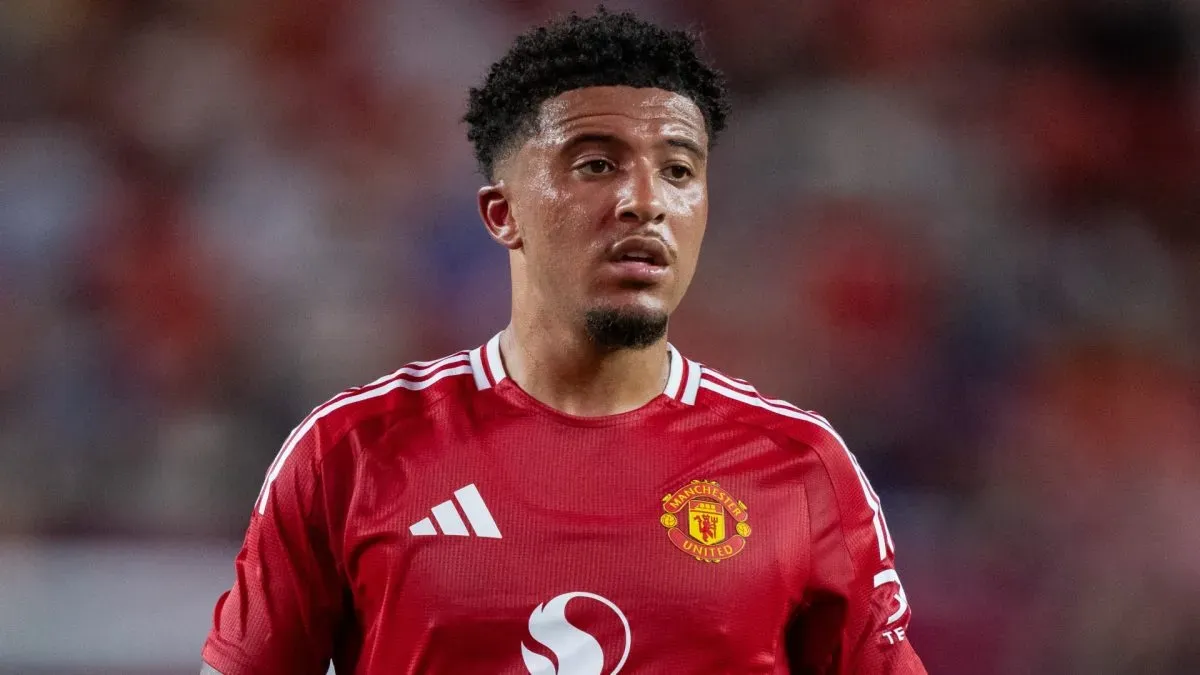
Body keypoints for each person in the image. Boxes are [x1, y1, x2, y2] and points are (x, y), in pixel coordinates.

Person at [201, 9, 926, 674]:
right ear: (501, 212)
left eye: (678, 169)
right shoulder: (351, 454)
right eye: (596, 163)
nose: (644, 200)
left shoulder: (801, 469)